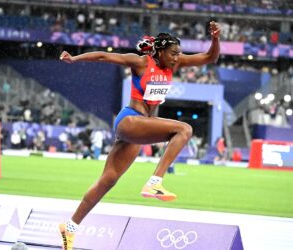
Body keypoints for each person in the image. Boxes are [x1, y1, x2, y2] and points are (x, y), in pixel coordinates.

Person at [58, 21, 221, 250]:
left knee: (108, 181)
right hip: (130, 120)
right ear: (160, 51)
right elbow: (105, 57)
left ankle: (70, 227)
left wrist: (215, 39)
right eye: (173, 53)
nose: (177, 58)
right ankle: (155, 182)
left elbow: (209, 58)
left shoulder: (175, 63)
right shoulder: (141, 62)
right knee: (185, 129)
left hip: (142, 126)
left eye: (179, 54)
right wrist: (74, 59)